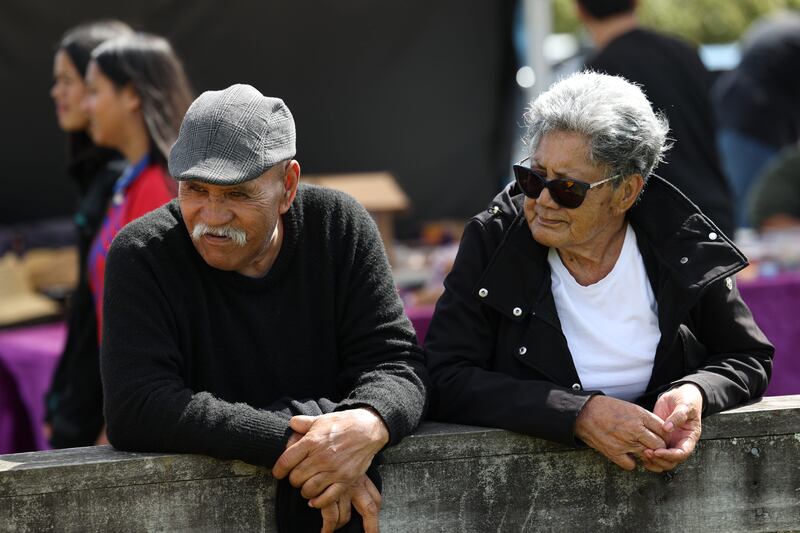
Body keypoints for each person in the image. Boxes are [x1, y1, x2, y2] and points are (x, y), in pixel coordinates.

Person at [99, 84, 427, 532]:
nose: (212, 217)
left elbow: (396, 362)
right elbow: (137, 405)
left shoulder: (339, 226)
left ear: (287, 186)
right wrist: (308, 446)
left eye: (236, 194)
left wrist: (370, 422)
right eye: (195, 189)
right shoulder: (142, 252)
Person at [425, 72, 773, 474]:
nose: (543, 201)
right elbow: (444, 375)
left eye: (568, 189)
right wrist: (578, 414)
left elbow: (748, 356)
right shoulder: (495, 237)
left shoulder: (680, 241)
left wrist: (696, 392)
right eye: (532, 178)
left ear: (625, 192)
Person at [45, 20, 133, 449]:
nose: (56, 93)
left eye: (70, 82)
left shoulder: (130, 183)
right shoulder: (101, 176)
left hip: (102, 402)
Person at [576, 0, 734, 237]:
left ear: (579, 9)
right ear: (636, 3)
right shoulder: (683, 51)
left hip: (658, 226)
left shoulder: (599, 72)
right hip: (713, 211)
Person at [84, 32, 194, 341]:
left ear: (132, 95)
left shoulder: (158, 188)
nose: (85, 104)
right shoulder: (133, 182)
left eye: (93, 91)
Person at [713, 11, 800, 227]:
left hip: (729, 116)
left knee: (742, 204)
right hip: (754, 126)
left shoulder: (780, 24)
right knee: (753, 208)